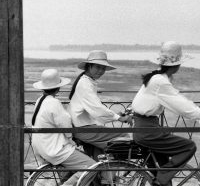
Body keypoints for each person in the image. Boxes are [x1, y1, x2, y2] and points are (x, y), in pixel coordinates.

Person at [129, 41, 199, 186]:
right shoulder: (160, 81)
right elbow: (183, 106)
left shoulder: (155, 77)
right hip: (148, 130)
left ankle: (161, 180)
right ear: (177, 65)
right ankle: (160, 180)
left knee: (162, 170)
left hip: (143, 127)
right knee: (189, 146)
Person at [31, 68, 96, 186]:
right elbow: (65, 125)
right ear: (58, 87)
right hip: (54, 149)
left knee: (79, 163)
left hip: (41, 146)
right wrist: (72, 139)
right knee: (92, 167)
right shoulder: (54, 103)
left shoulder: (40, 100)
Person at [67, 50, 131, 153]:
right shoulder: (85, 84)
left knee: (100, 152)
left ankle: (100, 167)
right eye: (97, 67)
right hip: (83, 128)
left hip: (83, 126)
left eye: (103, 68)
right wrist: (119, 118)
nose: (100, 71)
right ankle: (116, 166)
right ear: (89, 66)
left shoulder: (87, 81)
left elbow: (94, 109)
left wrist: (115, 115)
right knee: (123, 135)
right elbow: (96, 108)